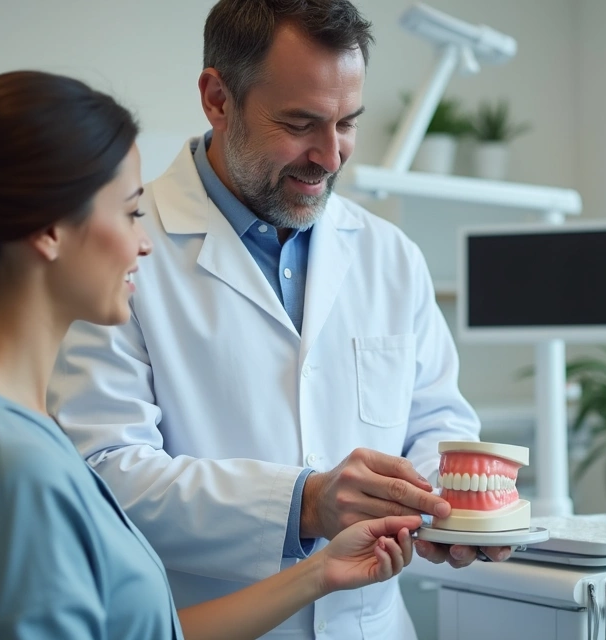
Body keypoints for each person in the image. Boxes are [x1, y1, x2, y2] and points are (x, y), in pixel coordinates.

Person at [0, 69, 420, 640]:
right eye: (128, 212)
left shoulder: (7, 436)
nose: (144, 242)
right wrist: (307, 505)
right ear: (48, 231)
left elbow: (140, 632)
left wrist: (319, 572)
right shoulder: (9, 474)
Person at [48, 2, 507, 638]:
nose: (331, 155)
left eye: (348, 123)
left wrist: (442, 508)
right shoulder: (122, 249)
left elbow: (437, 421)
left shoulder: (388, 254)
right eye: (300, 123)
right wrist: (303, 504)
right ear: (217, 99)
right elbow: (103, 473)